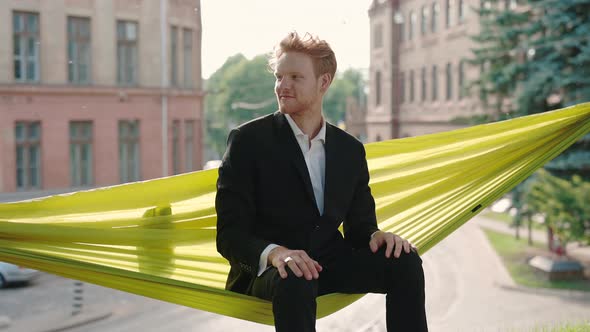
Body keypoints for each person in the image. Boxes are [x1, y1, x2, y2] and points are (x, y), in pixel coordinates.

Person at [215, 31, 428, 332]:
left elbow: (360, 229)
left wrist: (376, 236)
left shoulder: (350, 150)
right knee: (296, 275)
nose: (282, 86)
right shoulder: (248, 142)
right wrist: (276, 254)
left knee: (405, 261)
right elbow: (228, 235)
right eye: (279, 77)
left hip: (330, 264)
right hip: (272, 273)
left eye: (295, 77)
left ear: (323, 82)